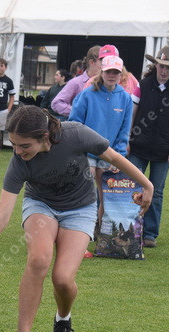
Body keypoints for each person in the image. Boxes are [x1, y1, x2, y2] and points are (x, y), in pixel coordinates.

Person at [0, 106, 153, 332]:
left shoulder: (76, 134)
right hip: (40, 205)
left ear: (44, 136)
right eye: (13, 144)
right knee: (39, 260)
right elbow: (1, 217)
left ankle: (63, 319)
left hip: (80, 207)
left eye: (24, 145)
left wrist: (147, 185)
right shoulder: (19, 162)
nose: (18, 151)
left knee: (63, 279)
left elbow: (112, 156)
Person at [128, 46, 169, 248]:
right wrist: (127, 139)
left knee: (157, 191)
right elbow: (132, 113)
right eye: (162, 66)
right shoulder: (143, 85)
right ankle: (129, 228)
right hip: (138, 145)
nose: (164, 71)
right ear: (156, 65)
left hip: (164, 149)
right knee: (133, 186)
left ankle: (150, 234)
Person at [70, 55, 133, 235]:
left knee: (107, 196)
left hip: (109, 154)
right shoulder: (87, 94)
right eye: (108, 71)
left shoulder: (126, 98)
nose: (112, 75)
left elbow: (124, 131)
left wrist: (118, 157)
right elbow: (75, 123)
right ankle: (83, 231)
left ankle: (102, 233)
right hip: (87, 153)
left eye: (116, 72)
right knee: (86, 194)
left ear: (121, 74)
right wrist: (80, 151)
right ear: (102, 72)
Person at [51, 45, 102, 118]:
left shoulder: (110, 84)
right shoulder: (76, 83)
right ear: (91, 62)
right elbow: (56, 103)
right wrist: (78, 112)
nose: (106, 66)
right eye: (102, 63)